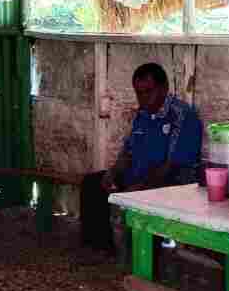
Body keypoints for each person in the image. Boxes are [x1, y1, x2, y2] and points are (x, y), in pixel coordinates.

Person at [81, 63, 202, 253]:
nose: (143, 98)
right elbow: (128, 151)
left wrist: (140, 188)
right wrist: (113, 172)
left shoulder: (182, 115)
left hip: (168, 183)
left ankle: (141, 253)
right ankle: (101, 250)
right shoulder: (143, 114)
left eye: (148, 91)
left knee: (138, 202)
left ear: (164, 88)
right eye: (139, 93)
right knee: (93, 184)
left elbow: (172, 166)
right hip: (138, 179)